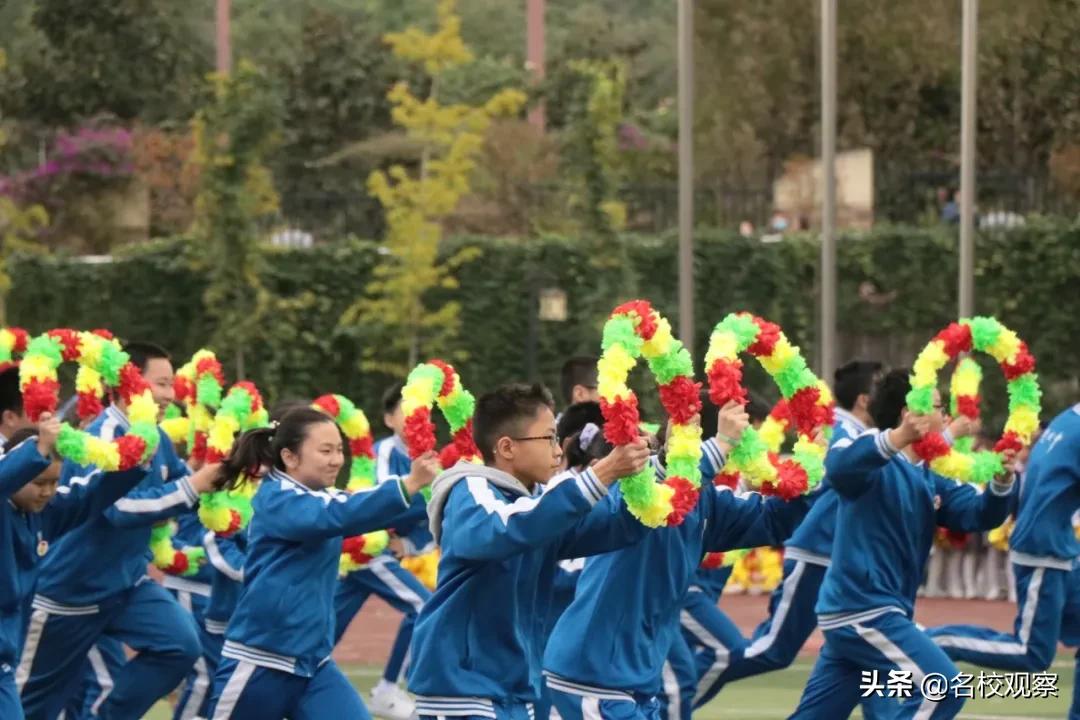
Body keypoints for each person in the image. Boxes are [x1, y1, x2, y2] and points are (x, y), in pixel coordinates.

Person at [543, 400, 813, 720]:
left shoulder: (706, 499)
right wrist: (721, 444)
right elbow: (654, 500)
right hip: (594, 680)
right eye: (683, 422)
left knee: (689, 674)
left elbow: (770, 520)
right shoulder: (637, 487)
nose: (679, 428)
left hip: (635, 680)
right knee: (704, 663)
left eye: (693, 426)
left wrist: (811, 473)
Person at [407, 383, 653, 720]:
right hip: (463, 695)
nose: (558, 449)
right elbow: (508, 529)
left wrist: (657, 467)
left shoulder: (534, 503)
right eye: (549, 437)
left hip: (511, 695)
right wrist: (603, 472)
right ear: (506, 447)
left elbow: (614, 526)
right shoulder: (470, 489)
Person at [788, 370, 1017, 719]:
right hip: (862, 610)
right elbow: (839, 468)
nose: (947, 418)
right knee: (943, 687)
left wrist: (1001, 483)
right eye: (941, 408)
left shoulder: (931, 472)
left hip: (870, 614)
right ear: (912, 414)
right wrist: (896, 438)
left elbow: (977, 515)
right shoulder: (869, 451)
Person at [18, 342, 220, 720]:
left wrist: (221, 474)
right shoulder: (103, 434)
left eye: (171, 385)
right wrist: (195, 485)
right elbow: (121, 510)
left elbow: (182, 486)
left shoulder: (154, 437)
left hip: (127, 587)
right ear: (128, 383)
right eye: (160, 383)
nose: (169, 395)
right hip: (68, 595)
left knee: (179, 645)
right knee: (33, 705)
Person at [205, 407, 440, 719]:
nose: (337, 460)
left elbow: (360, 509)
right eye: (326, 450)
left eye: (339, 450)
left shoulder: (319, 496)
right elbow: (339, 513)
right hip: (260, 661)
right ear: (289, 457)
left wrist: (440, 490)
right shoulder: (277, 498)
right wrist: (409, 483)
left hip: (313, 665)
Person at [926, 403, 1080, 719]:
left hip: (1054, 544)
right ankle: (937, 641)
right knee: (1031, 653)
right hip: (1045, 549)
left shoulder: (1067, 419)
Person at [333, 382, 433, 720]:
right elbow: (379, 502)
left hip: (381, 555)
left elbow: (436, 517)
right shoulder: (383, 453)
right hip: (366, 551)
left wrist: (407, 544)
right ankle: (387, 690)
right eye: (407, 412)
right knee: (424, 607)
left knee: (325, 626)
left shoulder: (431, 460)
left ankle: (294, 673)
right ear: (389, 419)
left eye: (422, 412)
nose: (416, 418)